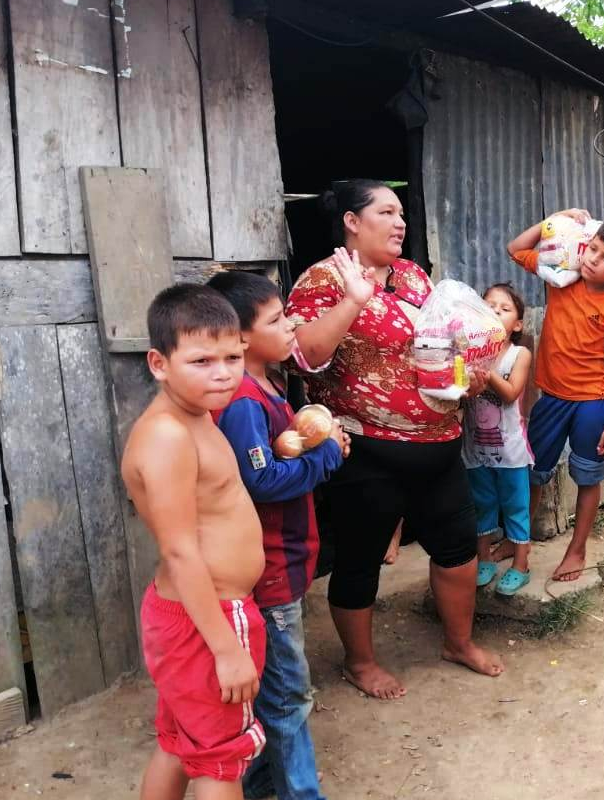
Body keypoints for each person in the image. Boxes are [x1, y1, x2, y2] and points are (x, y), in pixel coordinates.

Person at [287, 179, 504, 701]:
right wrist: (353, 301)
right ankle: (360, 663)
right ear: (352, 222)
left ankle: (458, 642)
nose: (401, 222)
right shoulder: (322, 279)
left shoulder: (412, 276)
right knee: (360, 558)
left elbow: (440, 339)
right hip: (368, 452)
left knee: (457, 549)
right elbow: (303, 356)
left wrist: (470, 366)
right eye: (386, 212)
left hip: (440, 442)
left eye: (402, 212)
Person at [122, 285, 266, 800]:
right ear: (159, 363)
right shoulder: (168, 436)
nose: (223, 372)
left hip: (193, 615)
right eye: (202, 360)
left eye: (232, 356)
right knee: (219, 760)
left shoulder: (196, 416)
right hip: (210, 620)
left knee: (184, 742)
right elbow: (179, 550)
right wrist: (226, 649)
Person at [207, 271, 346, 800]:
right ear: (240, 337)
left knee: (275, 693)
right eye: (277, 319)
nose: (292, 325)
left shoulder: (269, 383)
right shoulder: (244, 398)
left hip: (284, 560)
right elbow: (260, 481)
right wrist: (328, 452)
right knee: (288, 698)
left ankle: (260, 786)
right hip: (267, 567)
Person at [507, 211, 604, 582]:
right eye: (593, 250)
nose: (592, 261)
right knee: (532, 472)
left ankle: (577, 549)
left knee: (587, 476)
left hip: (592, 403)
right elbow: (515, 248)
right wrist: (555, 218)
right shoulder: (560, 275)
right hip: (551, 398)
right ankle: (517, 538)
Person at [465, 283, 535, 596]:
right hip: (475, 450)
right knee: (482, 506)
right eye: (488, 305)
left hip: (511, 452)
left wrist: (484, 367)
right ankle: (484, 561)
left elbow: (509, 395)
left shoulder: (519, 354)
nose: (494, 311)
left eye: (504, 309)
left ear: (517, 324)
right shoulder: (464, 351)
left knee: (515, 507)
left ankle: (521, 565)